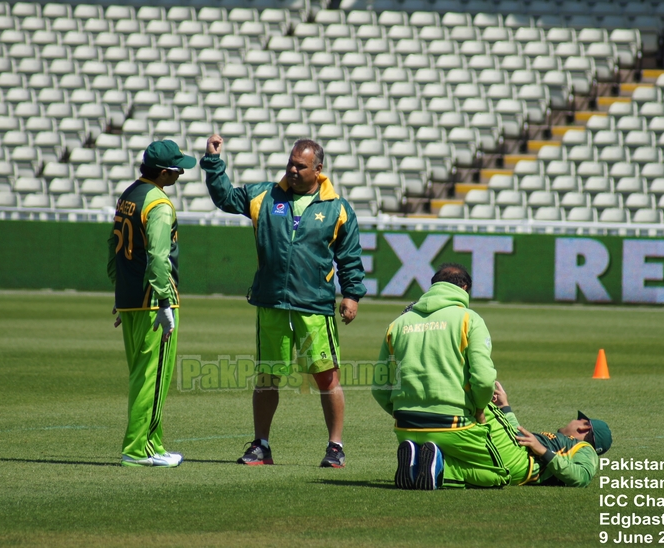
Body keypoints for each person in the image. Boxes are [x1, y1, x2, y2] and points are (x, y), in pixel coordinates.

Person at [200, 135, 366, 468]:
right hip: (272, 303)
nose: (291, 169)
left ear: (318, 169)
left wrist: (351, 295)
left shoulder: (338, 208)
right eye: (290, 163)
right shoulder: (264, 195)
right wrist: (214, 163)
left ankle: (335, 447)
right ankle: (261, 445)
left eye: (299, 166)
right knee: (267, 377)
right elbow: (225, 198)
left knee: (326, 377)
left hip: (314, 306)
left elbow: (349, 257)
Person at [372, 263, 510, 490]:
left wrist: (401, 410)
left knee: (432, 445)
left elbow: (379, 387)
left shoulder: (398, 323)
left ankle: (418, 460)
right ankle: (440, 467)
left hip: (406, 425)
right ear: (465, 288)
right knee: (498, 473)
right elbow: (484, 380)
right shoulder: (469, 319)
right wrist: (478, 408)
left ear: (433, 286)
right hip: (454, 425)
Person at [108, 139, 196, 467]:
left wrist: (120, 295)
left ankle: (152, 444)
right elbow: (159, 258)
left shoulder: (129, 196)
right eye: (177, 170)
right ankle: (137, 450)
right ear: (163, 172)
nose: (180, 174)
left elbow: (114, 248)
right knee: (153, 377)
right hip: (153, 302)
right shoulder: (158, 203)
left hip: (131, 300)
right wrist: (163, 302)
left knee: (142, 375)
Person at [442, 381, 612, 488]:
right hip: (515, 454)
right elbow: (517, 434)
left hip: (520, 460)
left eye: (578, 420)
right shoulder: (563, 444)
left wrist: (542, 450)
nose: (573, 421)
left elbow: (581, 478)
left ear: (584, 428)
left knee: (479, 397)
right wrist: (505, 407)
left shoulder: (585, 449)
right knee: (450, 464)